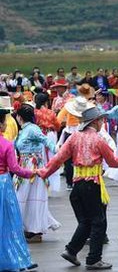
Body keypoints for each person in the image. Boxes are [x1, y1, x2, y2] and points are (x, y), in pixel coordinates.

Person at [39, 105, 118, 270]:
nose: (103, 122)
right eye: (101, 119)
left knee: (86, 221)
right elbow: (114, 162)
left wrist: (44, 172)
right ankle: (93, 259)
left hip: (77, 184)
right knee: (98, 222)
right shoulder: (99, 139)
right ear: (96, 121)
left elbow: (58, 159)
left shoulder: (73, 137)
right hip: (92, 185)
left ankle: (71, 251)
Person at [14, 103, 61, 243]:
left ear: (20, 117)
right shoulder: (24, 130)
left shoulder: (32, 129)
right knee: (24, 197)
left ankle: (35, 230)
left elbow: (46, 141)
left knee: (30, 197)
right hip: (24, 166)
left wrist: (59, 153)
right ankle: (27, 227)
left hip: (32, 167)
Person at [0, 112, 38, 272]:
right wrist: (33, 172)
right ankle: (16, 258)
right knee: (9, 222)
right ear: (1, 125)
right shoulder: (7, 144)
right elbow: (15, 169)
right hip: (3, 184)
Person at [34, 92, 62, 194]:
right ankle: (53, 186)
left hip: (38, 136)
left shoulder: (34, 112)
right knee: (52, 159)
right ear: (46, 102)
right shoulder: (51, 113)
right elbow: (58, 126)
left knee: (40, 159)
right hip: (50, 136)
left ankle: (41, 185)